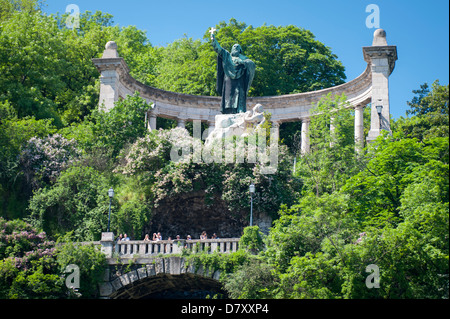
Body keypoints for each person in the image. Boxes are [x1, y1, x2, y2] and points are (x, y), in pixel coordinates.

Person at [211, 30, 256, 114]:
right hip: (228, 80)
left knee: (239, 95)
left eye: (237, 47)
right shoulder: (227, 55)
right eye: (234, 47)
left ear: (240, 50)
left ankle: (239, 110)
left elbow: (252, 65)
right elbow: (219, 49)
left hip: (239, 80)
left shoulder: (244, 58)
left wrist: (243, 62)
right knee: (228, 97)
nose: (235, 47)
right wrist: (214, 39)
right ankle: (228, 111)